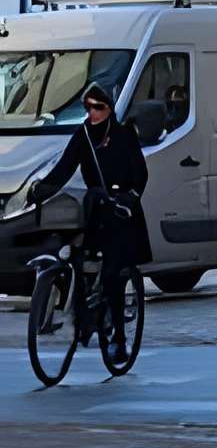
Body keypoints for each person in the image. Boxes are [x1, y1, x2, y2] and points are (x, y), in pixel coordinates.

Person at [28, 83, 152, 293]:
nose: (92, 112)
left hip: (120, 208)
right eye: (88, 107)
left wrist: (131, 195)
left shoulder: (124, 134)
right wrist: (42, 190)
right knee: (80, 260)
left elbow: (140, 172)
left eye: (98, 107)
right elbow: (64, 168)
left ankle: (116, 313)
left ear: (109, 108)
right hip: (96, 207)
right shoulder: (83, 135)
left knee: (113, 273)